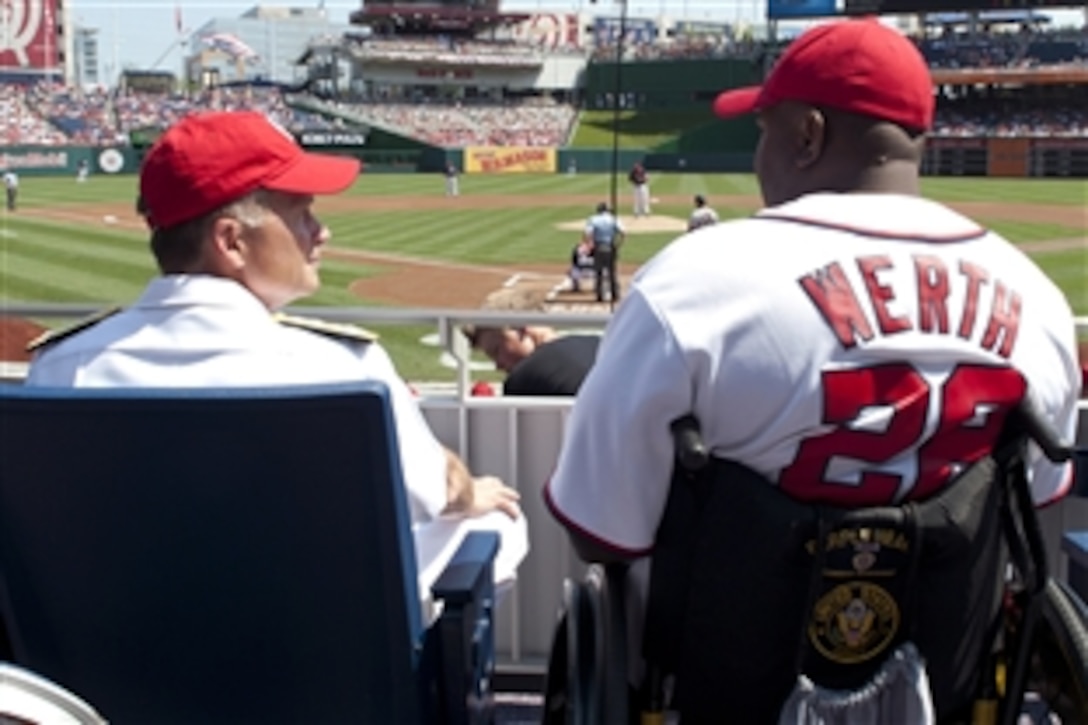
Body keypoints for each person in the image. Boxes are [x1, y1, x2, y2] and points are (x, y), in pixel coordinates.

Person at [544, 17, 1081, 715]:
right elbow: (1028, 509)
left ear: (808, 135)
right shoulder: (1035, 296)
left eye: (766, 130)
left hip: (713, 694)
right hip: (946, 692)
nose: (760, 151)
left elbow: (598, 531)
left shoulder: (693, 282)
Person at [23, 110, 527, 598]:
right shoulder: (342, 367)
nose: (320, 231)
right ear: (231, 241)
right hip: (321, 670)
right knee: (494, 520)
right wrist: (470, 493)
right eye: (301, 213)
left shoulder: (61, 368)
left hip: (106, 667)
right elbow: (436, 488)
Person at [462, 289, 599, 397]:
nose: (498, 365)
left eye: (497, 350)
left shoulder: (523, 379)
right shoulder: (598, 346)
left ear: (521, 327)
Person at [584, 202, 625, 304]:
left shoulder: (593, 219)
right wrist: (618, 245)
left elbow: (588, 233)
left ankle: (599, 296)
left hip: (598, 247)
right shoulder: (614, 219)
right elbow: (623, 233)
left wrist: (590, 245)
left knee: (599, 273)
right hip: (610, 247)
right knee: (612, 272)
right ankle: (615, 295)